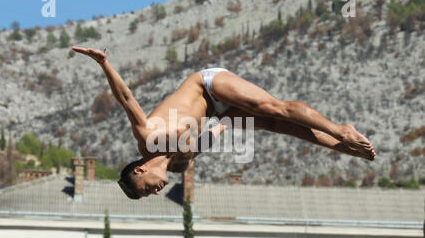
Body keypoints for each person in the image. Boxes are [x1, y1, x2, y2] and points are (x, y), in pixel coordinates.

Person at [72, 46, 376, 199]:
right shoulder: (179, 165)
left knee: (272, 108)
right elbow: (202, 141)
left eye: (146, 189)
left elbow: (126, 99)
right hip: (216, 115)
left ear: (140, 169)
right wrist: (223, 126)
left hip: (207, 85)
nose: (156, 192)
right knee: (275, 125)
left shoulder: (148, 136)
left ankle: (340, 130)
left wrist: (104, 63)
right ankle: (347, 148)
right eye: (150, 195)